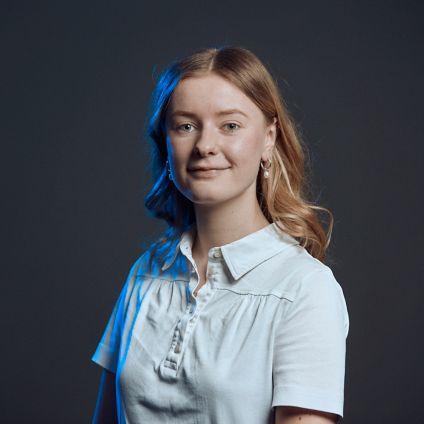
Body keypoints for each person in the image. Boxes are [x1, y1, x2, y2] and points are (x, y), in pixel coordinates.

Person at [91, 46, 349, 424]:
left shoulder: (305, 288)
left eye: (230, 125)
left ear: (269, 138)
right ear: (165, 142)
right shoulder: (146, 273)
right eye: (185, 126)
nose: (205, 146)